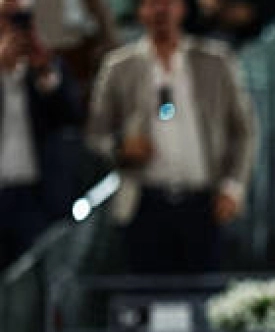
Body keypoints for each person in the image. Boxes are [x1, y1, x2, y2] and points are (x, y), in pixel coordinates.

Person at [86, 0, 257, 274]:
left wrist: (233, 187)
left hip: (205, 203)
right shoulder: (118, 66)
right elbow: (96, 134)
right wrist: (120, 148)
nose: (160, 10)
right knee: (148, 292)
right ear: (140, 11)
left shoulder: (217, 61)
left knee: (204, 293)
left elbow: (244, 131)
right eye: (151, 3)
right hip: (144, 205)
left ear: (182, 8)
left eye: (167, 2)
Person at [0, 0, 82, 269]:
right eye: (7, 17)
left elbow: (71, 117)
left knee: (40, 277)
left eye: (21, 17)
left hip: (35, 197)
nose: (13, 25)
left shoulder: (48, 65)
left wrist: (44, 71)